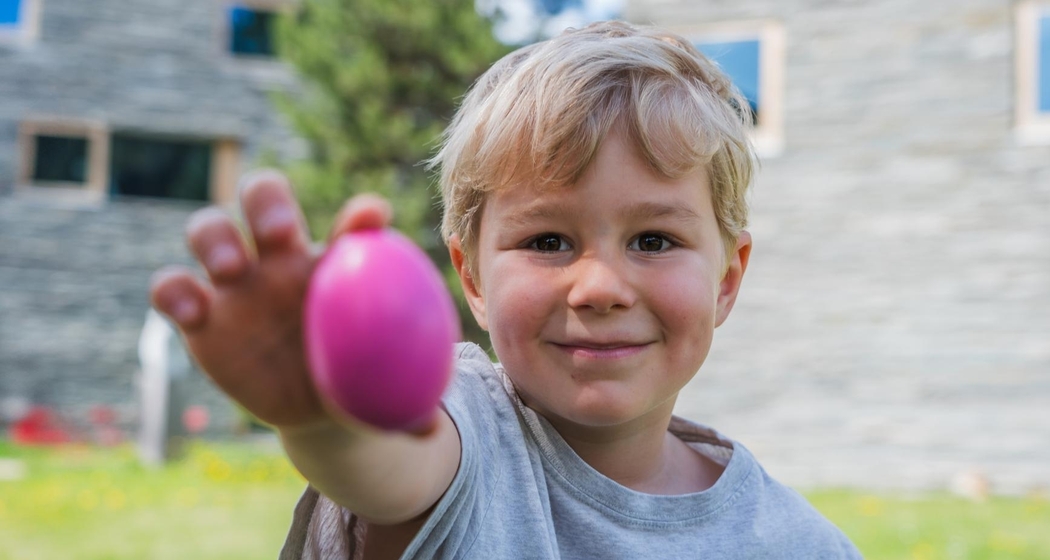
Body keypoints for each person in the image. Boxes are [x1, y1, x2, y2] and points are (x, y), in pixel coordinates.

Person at [150, 21, 862, 559]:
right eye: (548, 242)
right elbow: (388, 467)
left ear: (726, 280)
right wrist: (325, 419)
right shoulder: (468, 436)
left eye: (653, 241)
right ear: (473, 279)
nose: (600, 287)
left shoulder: (799, 542)